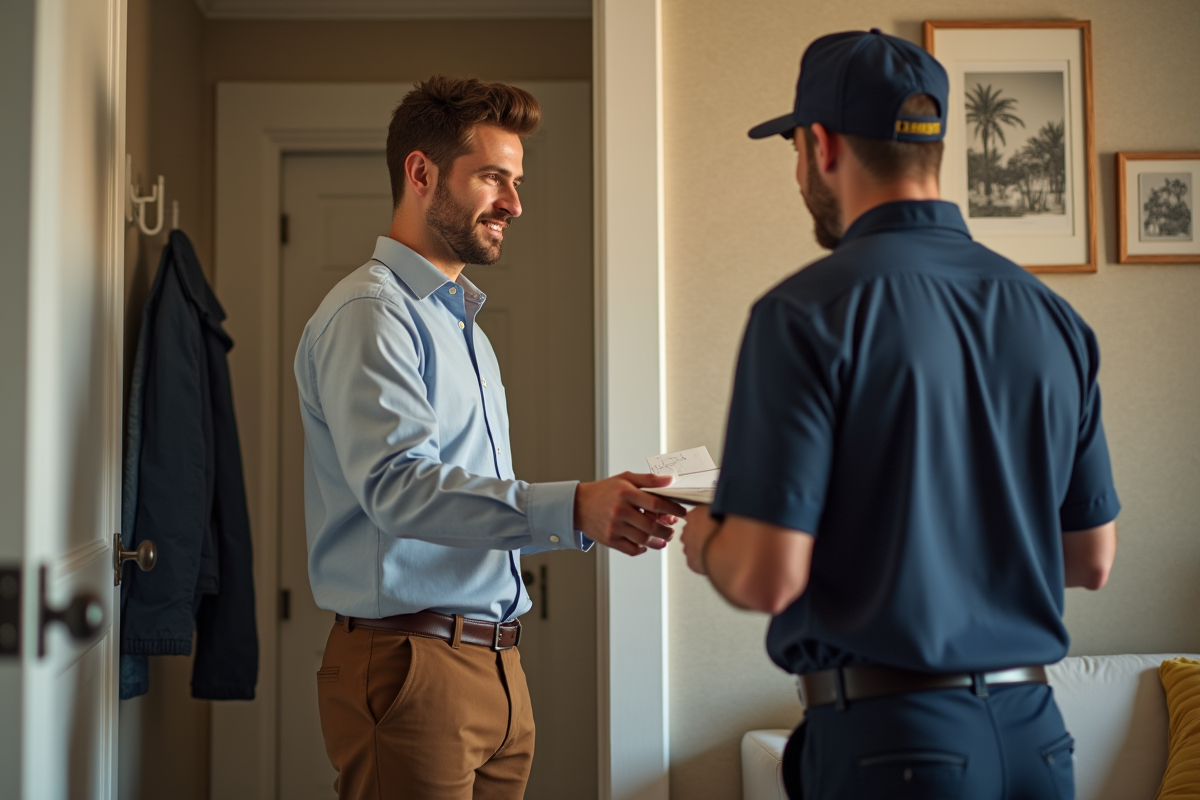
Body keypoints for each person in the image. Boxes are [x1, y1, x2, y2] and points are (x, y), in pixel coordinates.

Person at [679, 30, 1119, 799]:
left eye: (794, 149)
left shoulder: (804, 313)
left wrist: (709, 537)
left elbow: (764, 576)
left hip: (898, 750)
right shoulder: (1052, 316)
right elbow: (1090, 559)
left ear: (820, 145)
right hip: (1037, 741)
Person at [295, 76, 686, 800]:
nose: (513, 203)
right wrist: (575, 507)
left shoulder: (460, 324)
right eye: (492, 178)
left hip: (495, 667)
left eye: (517, 180)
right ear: (421, 174)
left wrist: (601, 509)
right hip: (412, 665)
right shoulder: (370, 315)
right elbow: (399, 489)